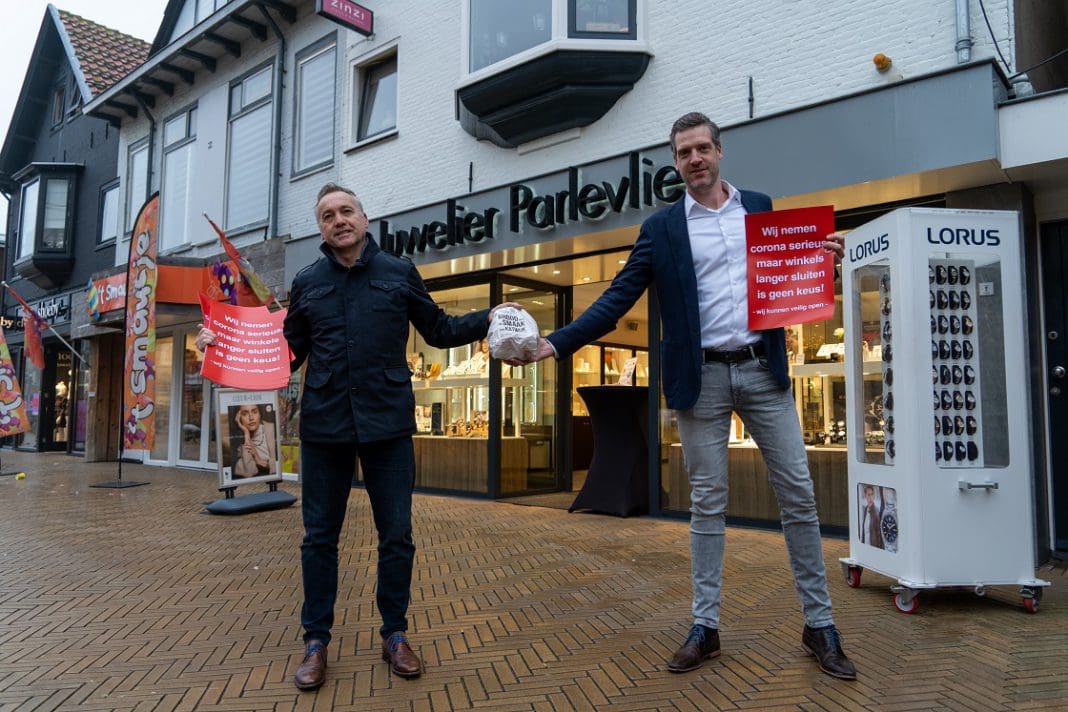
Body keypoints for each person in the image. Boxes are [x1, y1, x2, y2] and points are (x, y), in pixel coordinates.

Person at [516, 112, 856, 680]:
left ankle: (819, 625)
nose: (694, 158)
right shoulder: (663, 228)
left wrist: (825, 263)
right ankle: (706, 626)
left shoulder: (761, 208)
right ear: (675, 163)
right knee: (707, 503)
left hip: (763, 372)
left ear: (720, 152)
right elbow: (617, 298)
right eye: (683, 152)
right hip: (701, 379)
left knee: (799, 495)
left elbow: (790, 280)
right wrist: (556, 342)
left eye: (702, 148)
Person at [197, 182, 521, 691]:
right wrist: (222, 345)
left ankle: (395, 633)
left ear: (364, 219)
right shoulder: (307, 281)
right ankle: (315, 641)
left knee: (397, 536)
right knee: (319, 539)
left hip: (387, 425)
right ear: (321, 228)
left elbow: (438, 329)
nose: (338, 220)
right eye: (327, 215)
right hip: (325, 427)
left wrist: (490, 316)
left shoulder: (398, 272)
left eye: (346, 211)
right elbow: (285, 355)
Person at [231, 403, 275, 478]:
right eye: (244, 414)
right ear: (238, 418)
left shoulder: (272, 429)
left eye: (255, 412)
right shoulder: (239, 443)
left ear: (260, 414)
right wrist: (246, 433)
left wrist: (262, 462)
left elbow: (283, 462)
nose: (251, 418)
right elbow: (249, 471)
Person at [860, 485, 884, 549]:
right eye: (868, 495)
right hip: (865, 546)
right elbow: (864, 530)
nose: (870, 497)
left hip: (873, 547)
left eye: (872, 494)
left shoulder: (876, 511)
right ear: (865, 496)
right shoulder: (866, 509)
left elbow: (879, 535)